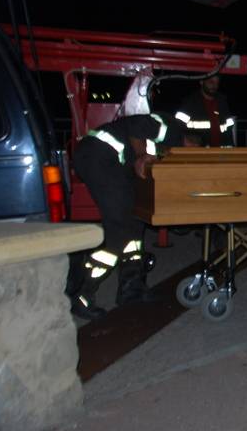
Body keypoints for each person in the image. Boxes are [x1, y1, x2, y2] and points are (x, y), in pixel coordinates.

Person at [66, 112, 194, 320]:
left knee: (136, 222)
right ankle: (82, 295)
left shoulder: (169, 148)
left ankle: (131, 288)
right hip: (98, 156)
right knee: (120, 228)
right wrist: (142, 156)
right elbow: (135, 126)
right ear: (189, 143)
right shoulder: (170, 130)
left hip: (110, 164)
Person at [175, 75, 235, 147]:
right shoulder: (190, 102)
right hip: (199, 151)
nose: (214, 85)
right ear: (201, 82)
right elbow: (178, 126)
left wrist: (230, 147)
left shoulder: (222, 102)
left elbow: (229, 129)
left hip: (220, 151)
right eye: (211, 82)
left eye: (217, 83)